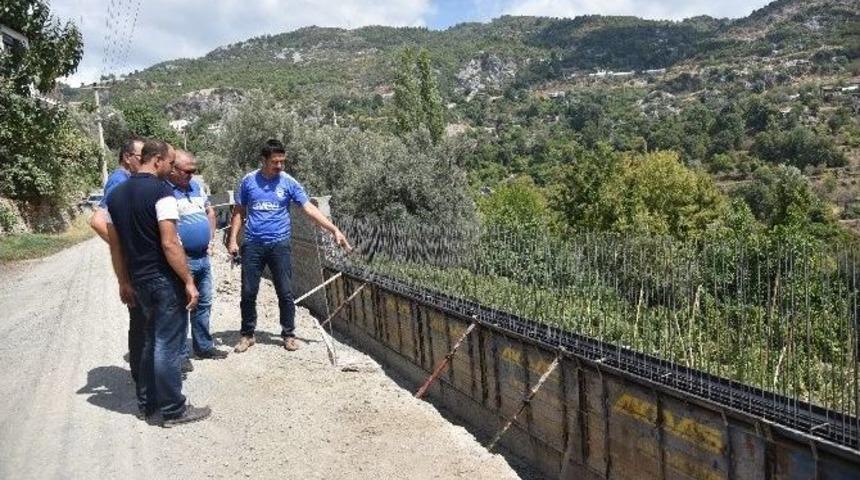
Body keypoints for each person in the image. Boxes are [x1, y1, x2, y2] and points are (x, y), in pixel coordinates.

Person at [105, 139, 211, 427]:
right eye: (170, 161)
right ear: (158, 160)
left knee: (150, 341)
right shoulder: (162, 192)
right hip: (163, 280)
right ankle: (174, 409)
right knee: (166, 344)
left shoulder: (115, 195)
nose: (172, 167)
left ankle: (147, 403)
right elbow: (170, 243)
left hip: (138, 279)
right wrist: (188, 280)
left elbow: (115, 247)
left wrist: (123, 281)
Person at [227, 139, 352, 353]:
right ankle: (247, 334)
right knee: (248, 292)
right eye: (275, 162)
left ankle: (288, 334)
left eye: (282, 162)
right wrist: (232, 239)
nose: (279, 166)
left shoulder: (288, 182)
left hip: (279, 245)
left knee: (285, 292)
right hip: (253, 246)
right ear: (263, 160)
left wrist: (334, 230)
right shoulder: (248, 182)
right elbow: (239, 211)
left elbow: (309, 210)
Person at [89, 137, 148, 388]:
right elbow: (98, 220)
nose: (144, 163)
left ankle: (145, 376)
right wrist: (122, 247)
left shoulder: (126, 179)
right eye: (140, 158)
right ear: (127, 157)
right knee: (141, 322)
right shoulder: (119, 181)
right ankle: (143, 379)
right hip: (134, 263)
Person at [166, 150, 228, 366]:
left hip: (203, 257)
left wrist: (211, 239)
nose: (192, 175)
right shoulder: (165, 191)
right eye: (187, 171)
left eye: (194, 170)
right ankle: (181, 355)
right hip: (184, 259)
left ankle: (203, 346)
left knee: (204, 303)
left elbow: (210, 212)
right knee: (184, 305)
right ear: (173, 168)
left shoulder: (196, 187)